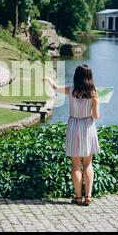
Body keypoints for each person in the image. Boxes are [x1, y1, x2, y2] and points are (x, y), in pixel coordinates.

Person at [43, 64, 100, 206]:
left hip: (74, 126)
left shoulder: (71, 90)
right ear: (89, 77)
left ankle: (78, 197)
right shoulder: (94, 93)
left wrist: (49, 79)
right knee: (88, 164)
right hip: (87, 126)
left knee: (75, 166)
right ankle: (88, 196)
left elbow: (56, 88)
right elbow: (96, 116)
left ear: (76, 76)